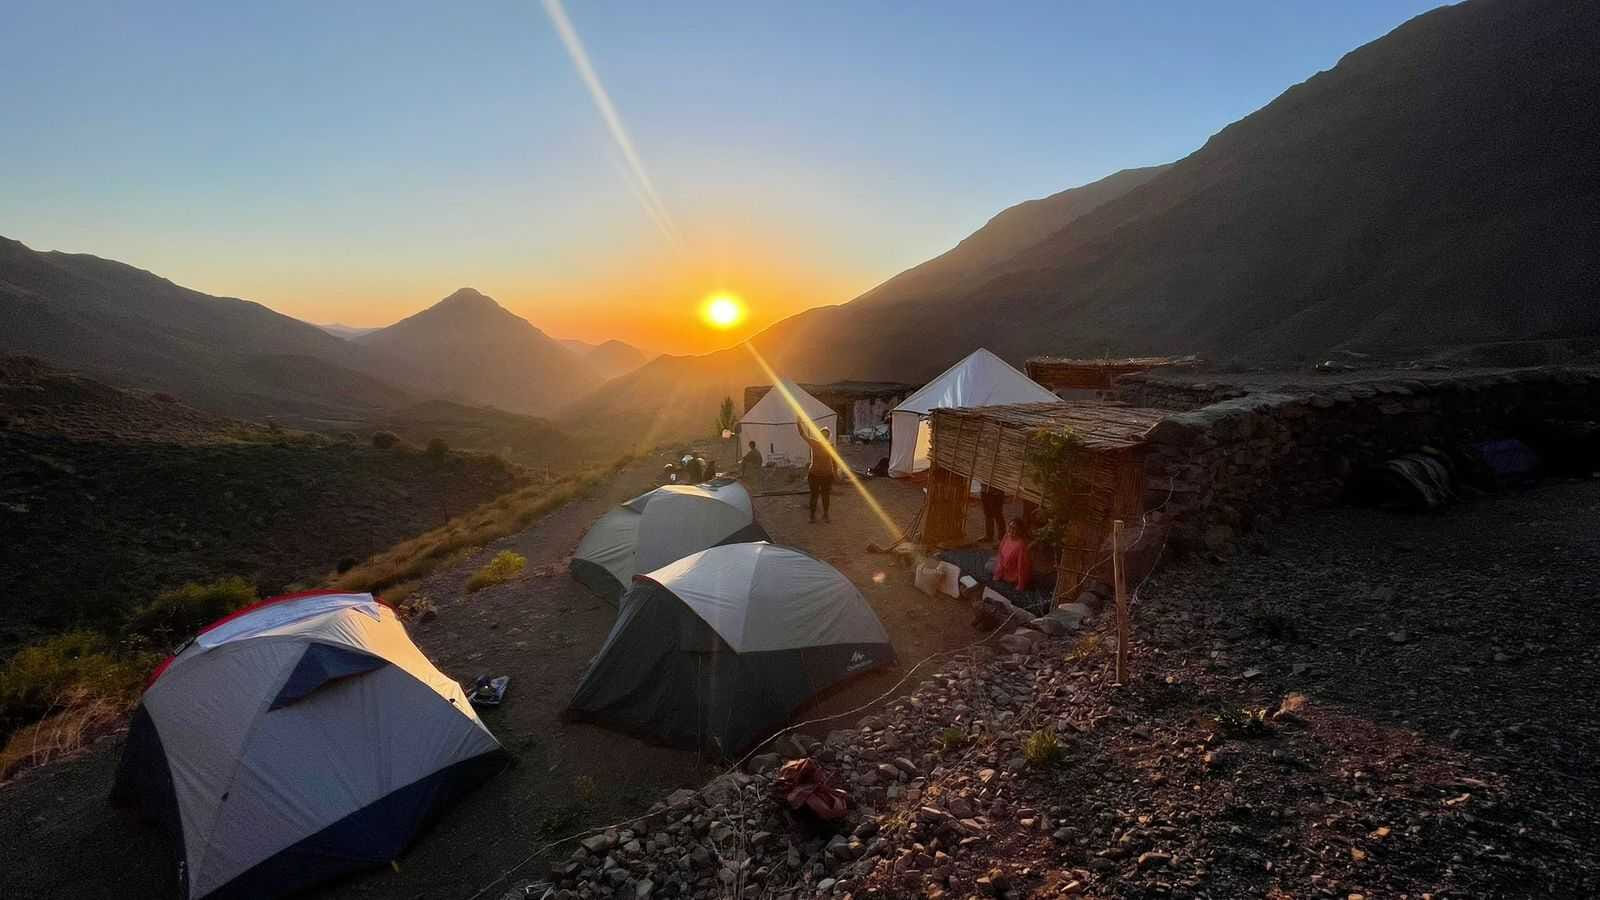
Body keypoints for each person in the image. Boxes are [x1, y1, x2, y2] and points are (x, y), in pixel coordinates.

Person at [796, 422, 836, 523]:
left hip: (827, 474)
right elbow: (802, 434)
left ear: (828, 437)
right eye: (823, 434)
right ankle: (812, 516)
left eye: (826, 435)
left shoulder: (830, 446)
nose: (824, 436)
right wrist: (798, 423)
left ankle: (825, 514)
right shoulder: (814, 443)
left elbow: (835, 461)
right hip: (814, 474)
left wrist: (835, 473)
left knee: (825, 496)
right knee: (814, 495)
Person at [993, 518, 1032, 590]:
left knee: (989, 566)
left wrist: (1021, 584)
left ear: (1019, 531)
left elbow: (1022, 567)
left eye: (1014, 528)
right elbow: (1000, 553)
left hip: (1013, 574)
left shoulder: (1021, 546)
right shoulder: (1007, 536)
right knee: (990, 564)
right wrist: (998, 573)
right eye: (1010, 527)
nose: (1011, 530)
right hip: (1004, 568)